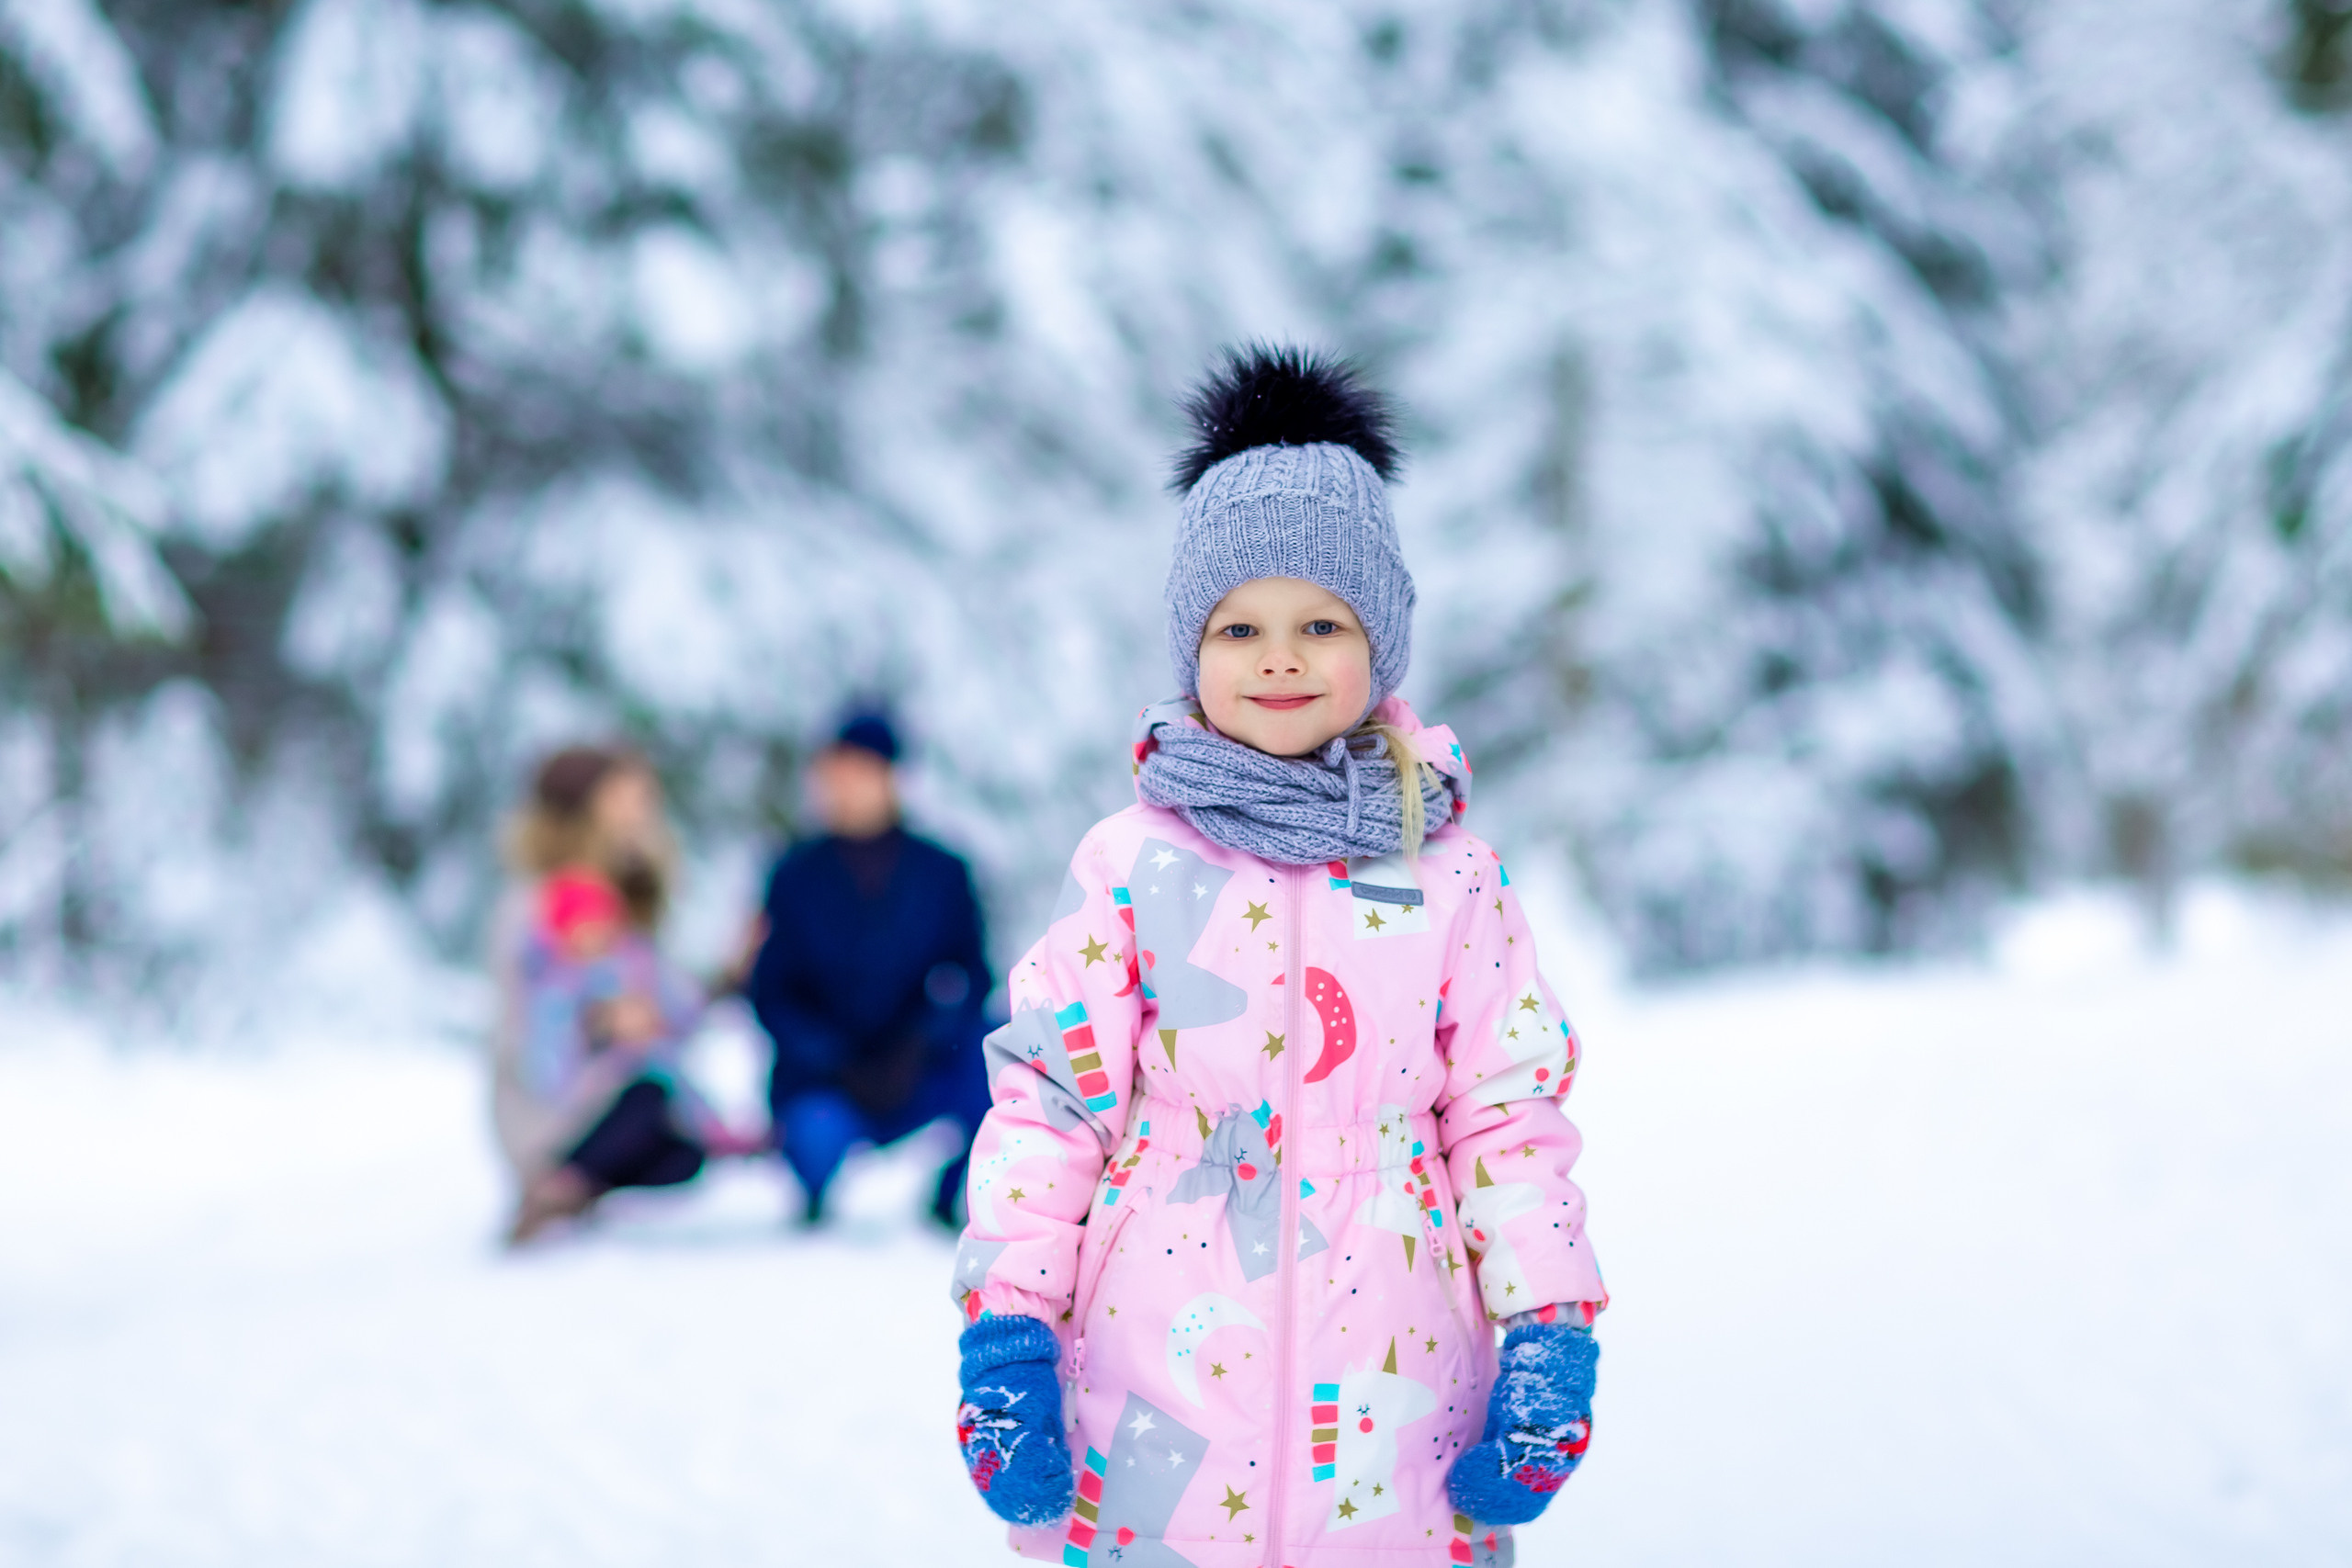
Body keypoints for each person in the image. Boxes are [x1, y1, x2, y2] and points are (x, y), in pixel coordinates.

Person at [948, 346, 1605, 1566]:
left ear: (1383, 642)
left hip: (1395, 1409)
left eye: (1322, 622)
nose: (1280, 656)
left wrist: (1548, 1323)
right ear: (1192, 647)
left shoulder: (1448, 871)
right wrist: (1007, 1324)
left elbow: (1509, 1110)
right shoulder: (1133, 863)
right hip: (1159, 1393)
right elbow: (1049, 1100)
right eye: (1240, 623)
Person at [745, 713, 993, 1228]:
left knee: (998, 1058)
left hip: (920, 1065)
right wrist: (830, 1059)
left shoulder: (943, 871)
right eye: (832, 775)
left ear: (889, 777)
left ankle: (954, 1191)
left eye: (857, 773)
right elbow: (770, 990)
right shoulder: (792, 873)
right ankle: (813, 1193)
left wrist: (922, 1043)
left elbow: (971, 975)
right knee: (814, 1136)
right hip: (825, 1076)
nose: (842, 789)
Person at [490, 746, 721, 1246]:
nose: (645, 809)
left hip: (612, 1086)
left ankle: (576, 1191)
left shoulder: (627, 892)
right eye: (630, 796)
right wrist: (598, 1020)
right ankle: (557, 1184)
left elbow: (672, 1000)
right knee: (648, 1098)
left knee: (685, 1151)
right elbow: (528, 1026)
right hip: (554, 1100)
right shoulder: (543, 903)